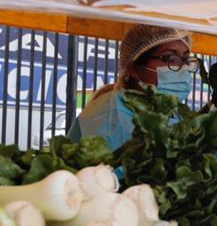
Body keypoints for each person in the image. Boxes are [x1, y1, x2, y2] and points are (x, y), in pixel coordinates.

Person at [67, 24, 197, 151]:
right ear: (134, 68)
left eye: (185, 59)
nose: (182, 68)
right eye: (170, 58)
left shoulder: (174, 113)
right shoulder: (111, 113)